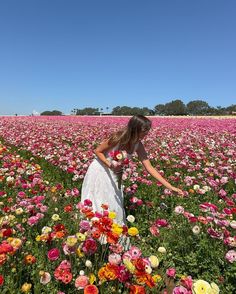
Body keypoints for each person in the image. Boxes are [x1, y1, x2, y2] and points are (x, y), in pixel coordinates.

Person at [81, 115, 184, 225]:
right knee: (99, 201)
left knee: (114, 205)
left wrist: (170, 187)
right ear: (135, 129)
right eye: (144, 131)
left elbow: (149, 167)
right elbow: (98, 151)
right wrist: (109, 164)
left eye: (147, 131)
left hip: (115, 174)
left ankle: (112, 235)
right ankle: (93, 231)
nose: (146, 134)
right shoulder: (117, 138)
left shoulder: (138, 145)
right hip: (100, 170)